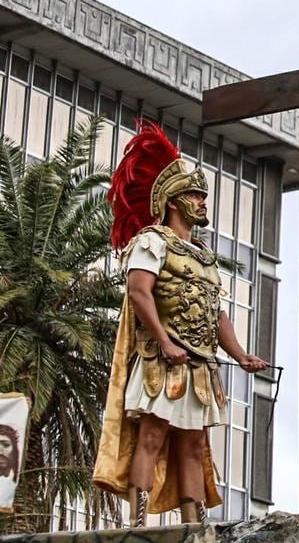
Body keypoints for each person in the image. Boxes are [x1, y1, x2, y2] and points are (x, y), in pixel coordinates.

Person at [93, 124, 268, 526]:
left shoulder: (205, 257)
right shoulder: (152, 241)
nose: (202, 201)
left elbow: (215, 312)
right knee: (151, 438)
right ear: (172, 202)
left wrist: (240, 355)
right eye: (193, 195)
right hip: (162, 360)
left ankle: (194, 526)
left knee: (193, 446)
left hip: (201, 365)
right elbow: (139, 292)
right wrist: (163, 341)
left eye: (203, 195)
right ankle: (136, 524)